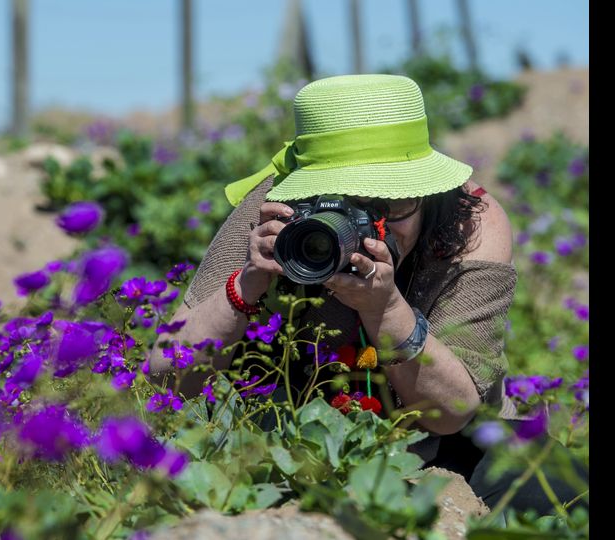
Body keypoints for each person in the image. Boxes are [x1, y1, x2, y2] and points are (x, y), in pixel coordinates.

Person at [148, 74, 587, 517]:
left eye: (391, 203)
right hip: (295, 433)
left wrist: (387, 309)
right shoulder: (277, 211)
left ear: (426, 190)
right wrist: (247, 283)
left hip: (451, 440)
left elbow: (451, 412)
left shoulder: (469, 221)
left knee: (560, 489)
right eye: (344, 202)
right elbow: (167, 378)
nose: (370, 226)